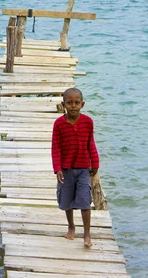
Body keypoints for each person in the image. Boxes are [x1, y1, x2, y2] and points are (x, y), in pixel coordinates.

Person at [51, 87, 99, 247]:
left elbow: (90, 144)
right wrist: (57, 168)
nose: (73, 106)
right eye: (69, 103)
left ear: (82, 104)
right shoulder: (59, 124)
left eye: (77, 103)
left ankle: (87, 234)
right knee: (66, 201)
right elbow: (55, 147)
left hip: (84, 168)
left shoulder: (87, 122)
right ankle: (71, 226)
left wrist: (95, 162)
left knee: (85, 201)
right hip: (66, 169)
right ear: (63, 104)